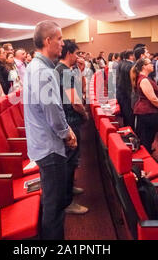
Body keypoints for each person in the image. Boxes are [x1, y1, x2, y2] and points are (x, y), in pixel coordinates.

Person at [24, 20, 77, 240]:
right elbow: (53, 112)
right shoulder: (43, 72)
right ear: (48, 41)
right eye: (59, 39)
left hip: (43, 143)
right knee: (54, 207)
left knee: (51, 202)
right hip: (50, 147)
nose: (63, 44)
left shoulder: (37, 67)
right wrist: (67, 133)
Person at [56, 40, 89, 215]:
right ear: (69, 53)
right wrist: (85, 114)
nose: (78, 57)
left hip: (68, 120)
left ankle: (69, 189)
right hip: (70, 120)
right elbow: (76, 102)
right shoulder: (64, 72)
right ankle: (67, 201)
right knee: (69, 162)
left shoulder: (62, 71)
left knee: (70, 160)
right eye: (76, 53)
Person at [131, 58, 158, 155]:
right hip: (147, 112)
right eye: (149, 63)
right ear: (144, 67)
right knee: (146, 138)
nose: (152, 65)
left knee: (147, 137)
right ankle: (146, 159)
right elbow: (152, 98)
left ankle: (147, 155)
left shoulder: (144, 78)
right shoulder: (144, 80)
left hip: (146, 111)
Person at [116, 50, 135, 127]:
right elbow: (129, 82)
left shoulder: (121, 63)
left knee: (126, 115)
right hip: (127, 93)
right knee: (129, 116)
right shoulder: (130, 66)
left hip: (121, 92)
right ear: (131, 56)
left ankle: (127, 128)